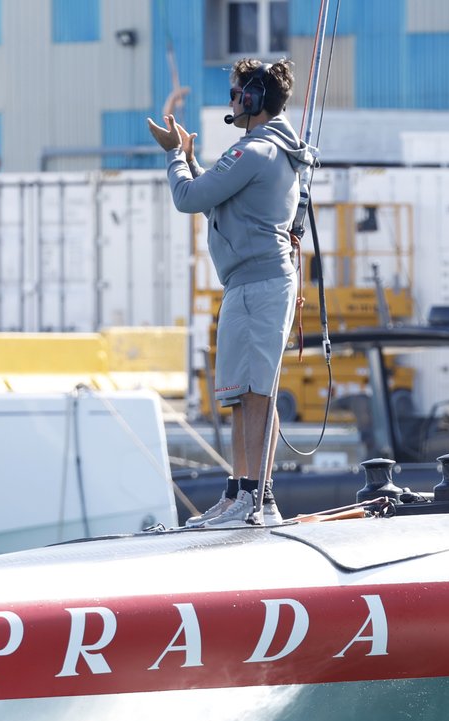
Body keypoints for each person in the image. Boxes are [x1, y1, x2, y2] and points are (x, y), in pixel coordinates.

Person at [148, 59, 315, 526]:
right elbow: (217, 200)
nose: (230, 100)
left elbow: (189, 198)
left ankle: (253, 499)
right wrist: (191, 161)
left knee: (256, 391)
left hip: (259, 283)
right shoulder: (263, 151)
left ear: (255, 98)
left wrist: (175, 155)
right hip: (252, 282)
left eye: (236, 91)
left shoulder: (255, 151)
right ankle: (246, 494)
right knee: (245, 391)